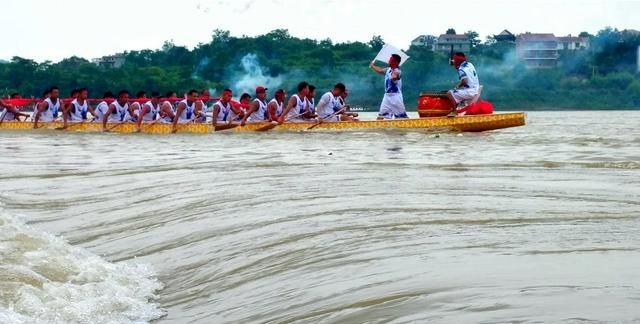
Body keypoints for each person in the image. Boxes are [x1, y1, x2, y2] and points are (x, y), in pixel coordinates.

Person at [369, 54, 408, 120]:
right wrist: (372, 66)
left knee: (401, 118)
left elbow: (395, 76)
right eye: (389, 59)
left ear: (395, 62)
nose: (388, 61)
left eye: (390, 59)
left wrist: (394, 77)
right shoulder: (388, 69)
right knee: (381, 117)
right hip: (387, 96)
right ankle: (377, 128)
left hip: (396, 97)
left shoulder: (398, 71)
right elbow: (380, 70)